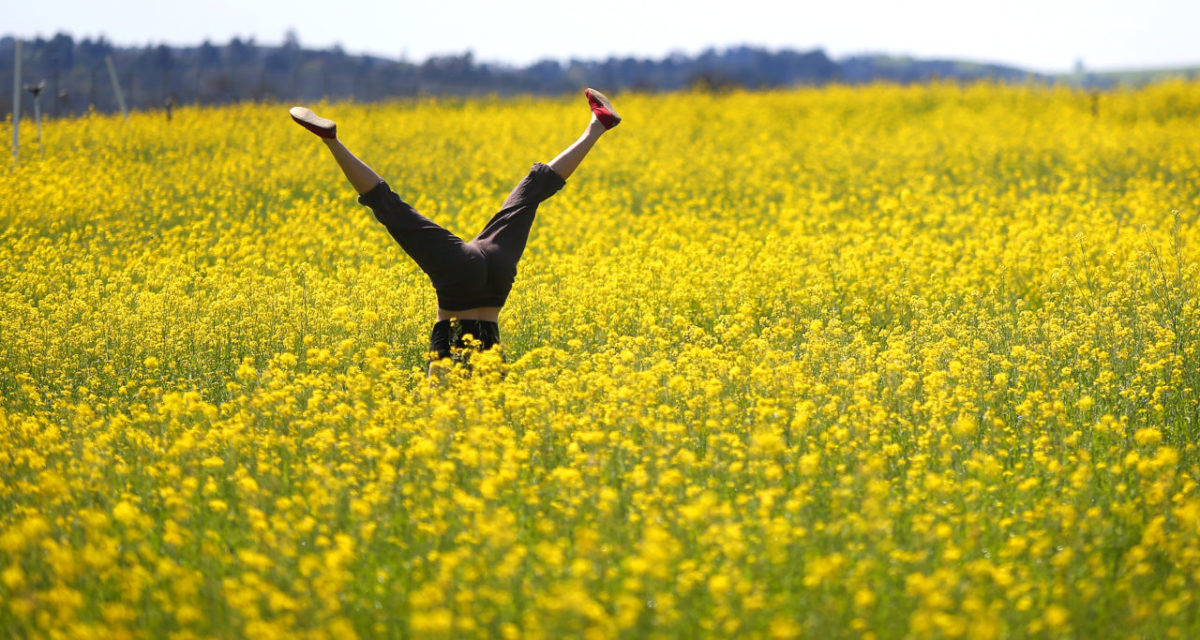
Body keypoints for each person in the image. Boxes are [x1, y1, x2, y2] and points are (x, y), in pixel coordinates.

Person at [289, 88, 621, 373]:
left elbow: (444, 418)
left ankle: (331, 140)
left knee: (526, 196)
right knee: (393, 210)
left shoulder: (460, 348)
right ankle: (596, 126)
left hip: (483, 280)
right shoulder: (489, 364)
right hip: (482, 282)